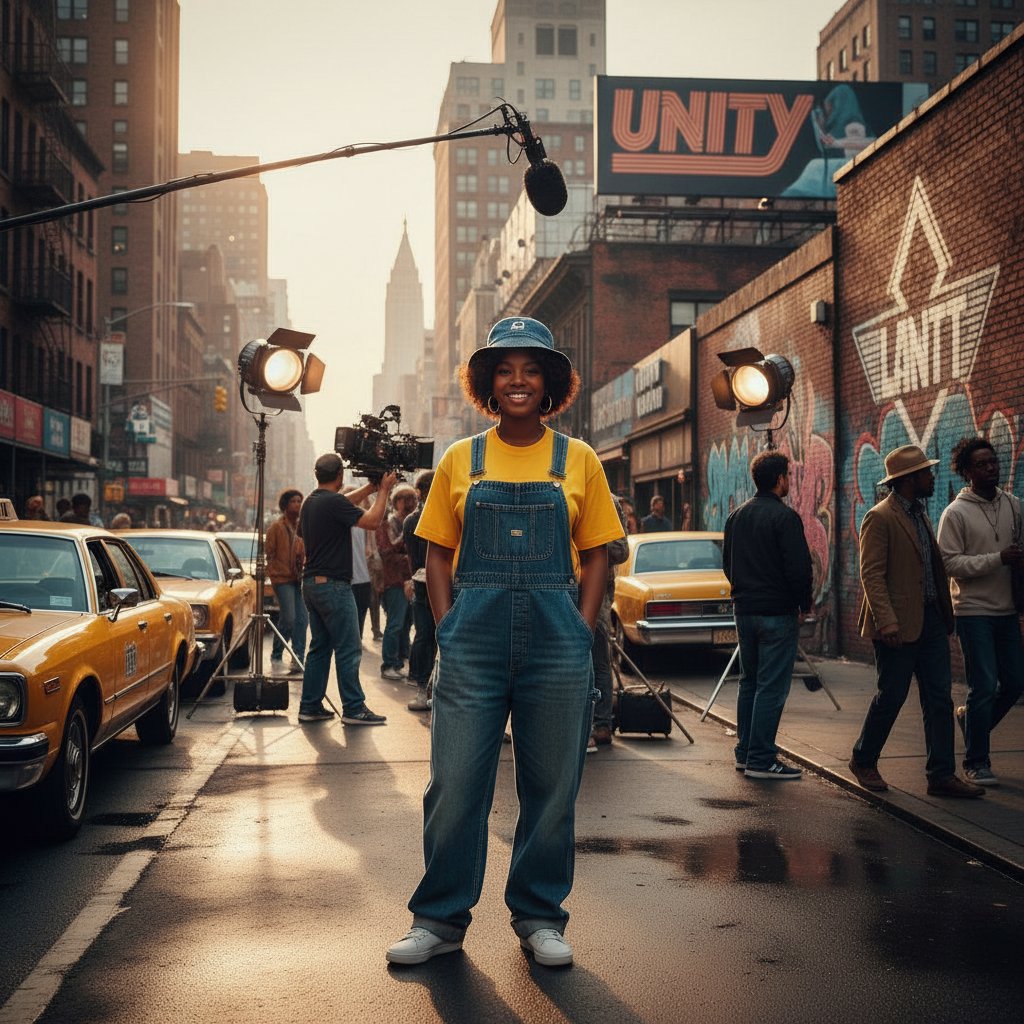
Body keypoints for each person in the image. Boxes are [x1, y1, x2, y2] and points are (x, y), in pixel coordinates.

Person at [386, 316, 623, 969]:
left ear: (551, 383)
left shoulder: (577, 460)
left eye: (532, 368)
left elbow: (598, 552)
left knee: (552, 787)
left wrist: (579, 625)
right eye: (505, 369)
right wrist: (449, 626)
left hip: (557, 644)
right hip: (474, 645)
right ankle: (437, 920)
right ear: (489, 382)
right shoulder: (462, 459)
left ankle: (540, 917)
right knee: (455, 784)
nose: (518, 379)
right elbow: (436, 553)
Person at [849, 444, 984, 799]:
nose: (932, 477)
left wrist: (945, 613)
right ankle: (863, 759)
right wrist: (887, 622)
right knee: (891, 696)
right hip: (896, 625)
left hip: (931, 621)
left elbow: (931, 570)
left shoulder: (920, 514)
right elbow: (872, 575)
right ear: (909, 480)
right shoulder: (880, 517)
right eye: (925, 472)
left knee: (939, 699)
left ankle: (941, 775)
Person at [936, 437, 1024, 787]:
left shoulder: (1015, 506)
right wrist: (997, 559)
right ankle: (976, 761)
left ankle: (971, 721)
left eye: (994, 461)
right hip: (972, 611)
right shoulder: (955, 513)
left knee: (1016, 682)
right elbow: (949, 563)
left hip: (1006, 610)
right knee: (984, 684)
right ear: (967, 472)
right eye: (982, 464)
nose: (991, 467)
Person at [723, 451, 813, 781]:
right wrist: (804, 604)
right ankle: (762, 759)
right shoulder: (785, 518)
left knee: (750, 682)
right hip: (777, 613)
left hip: (744, 611)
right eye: (788, 475)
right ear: (779, 480)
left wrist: (743, 592)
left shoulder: (736, 516)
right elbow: (799, 569)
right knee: (771, 688)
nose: (789, 480)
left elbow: (727, 564)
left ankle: (745, 754)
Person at [297, 453, 397, 725]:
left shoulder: (312, 501)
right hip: (333, 586)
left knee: (320, 647)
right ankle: (354, 708)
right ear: (340, 475)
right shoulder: (331, 502)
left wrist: (369, 488)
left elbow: (341, 505)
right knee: (349, 647)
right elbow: (373, 521)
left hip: (312, 584)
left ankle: (310, 706)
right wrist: (384, 491)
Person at [589, 494, 630, 751]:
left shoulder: (608, 501)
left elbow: (621, 549)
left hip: (597, 595)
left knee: (598, 660)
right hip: (562, 591)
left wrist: (588, 546)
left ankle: (601, 724)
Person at [403, 470, 437, 713]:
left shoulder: (450, 512)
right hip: (425, 587)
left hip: (445, 584)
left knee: (439, 639)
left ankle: (435, 689)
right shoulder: (413, 520)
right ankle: (422, 686)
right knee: (425, 635)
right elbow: (414, 560)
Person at [265, 488, 308, 674]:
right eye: (293, 501)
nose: (297, 504)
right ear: (285, 505)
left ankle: (298, 658)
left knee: (302, 619)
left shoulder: (304, 526)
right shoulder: (276, 527)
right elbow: (269, 553)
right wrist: (276, 573)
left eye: (300, 501)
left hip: (301, 578)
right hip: (283, 579)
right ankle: (277, 653)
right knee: (289, 617)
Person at [377, 483, 416, 680]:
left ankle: (399, 661)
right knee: (395, 624)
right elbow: (388, 552)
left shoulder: (411, 521)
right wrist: (407, 534)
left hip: (410, 578)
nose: (410, 504)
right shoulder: (390, 523)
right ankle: (389, 664)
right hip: (395, 581)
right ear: (396, 502)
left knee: (407, 623)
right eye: (405, 499)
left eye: (412, 499)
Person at [343, 487, 373, 641]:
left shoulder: (364, 520)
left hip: (363, 577)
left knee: (361, 613)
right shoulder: (340, 519)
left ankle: (357, 642)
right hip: (346, 578)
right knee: (347, 617)